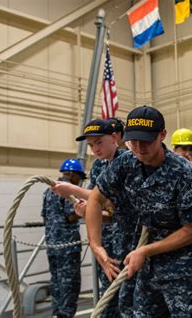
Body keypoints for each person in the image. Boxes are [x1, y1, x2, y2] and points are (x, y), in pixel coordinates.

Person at [85, 105, 192, 317]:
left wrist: (145, 251)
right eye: (133, 140)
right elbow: (95, 198)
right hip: (149, 267)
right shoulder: (126, 163)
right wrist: (96, 245)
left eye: (146, 140)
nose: (139, 147)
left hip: (185, 267)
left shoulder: (186, 174)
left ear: (162, 135)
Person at [52, 119, 134, 316]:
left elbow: (113, 202)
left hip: (130, 240)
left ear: (114, 138)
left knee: (130, 298)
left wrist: (75, 190)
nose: (95, 149)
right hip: (107, 242)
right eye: (90, 145)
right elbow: (105, 211)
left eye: (99, 142)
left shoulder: (127, 161)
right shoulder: (98, 166)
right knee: (109, 298)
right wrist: (87, 210)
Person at [41, 159, 85, 318]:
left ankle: (57, 313)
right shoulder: (68, 191)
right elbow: (70, 217)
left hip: (52, 244)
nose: (79, 182)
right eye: (79, 178)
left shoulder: (48, 190)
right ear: (73, 175)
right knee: (69, 284)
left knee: (56, 281)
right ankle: (65, 315)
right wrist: (85, 208)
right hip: (68, 246)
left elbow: (45, 218)